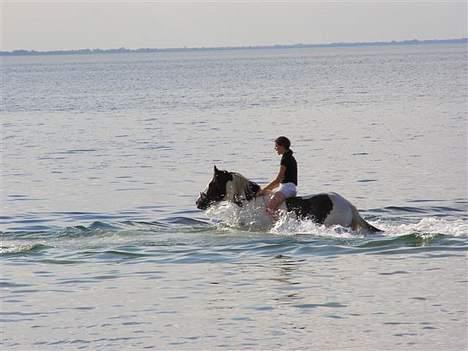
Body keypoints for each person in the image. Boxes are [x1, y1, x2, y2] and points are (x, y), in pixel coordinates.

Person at [257, 136, 297, 217]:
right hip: (287, 187)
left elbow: (278, 180)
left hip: (286, 189)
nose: (275, 148)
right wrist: (267, 190)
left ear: (282, 146)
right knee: (268, 194)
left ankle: (278, 226)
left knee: (269, 209)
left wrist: (263, 190)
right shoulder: (290, 157)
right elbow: (279, 183)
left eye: (276, 146)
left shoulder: (285, 159)